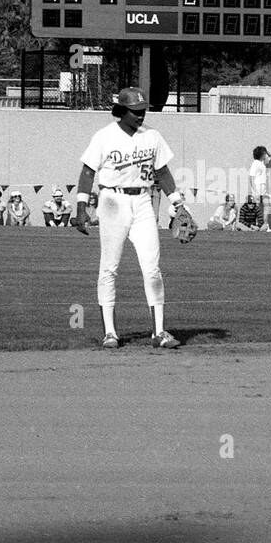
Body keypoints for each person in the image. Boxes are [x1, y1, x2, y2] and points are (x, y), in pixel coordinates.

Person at [71, 86, 184, 350]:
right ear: (121, 111)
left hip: (143, 201)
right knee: (109, 268)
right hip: (112, 201)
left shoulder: (153, 136)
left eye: (143, 110)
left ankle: (159, 332)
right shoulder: (104, 137)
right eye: (135, 111)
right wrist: (80, 207)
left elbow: (163, 171)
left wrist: (178, 203)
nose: (141, 115)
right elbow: (88, 172)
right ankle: (110, 332)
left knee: (152, 267)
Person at [248, 146, 271, 230]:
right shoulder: (255, 163)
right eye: (264, 153)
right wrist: (255, 192)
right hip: (257, 189)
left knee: (267, 206)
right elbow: (251, 177)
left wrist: (266, 151)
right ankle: (256, 226)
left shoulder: (263, 163)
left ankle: (265, 225)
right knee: (257, 209)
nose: (266, 155)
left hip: (264, 190)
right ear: (261, 154)